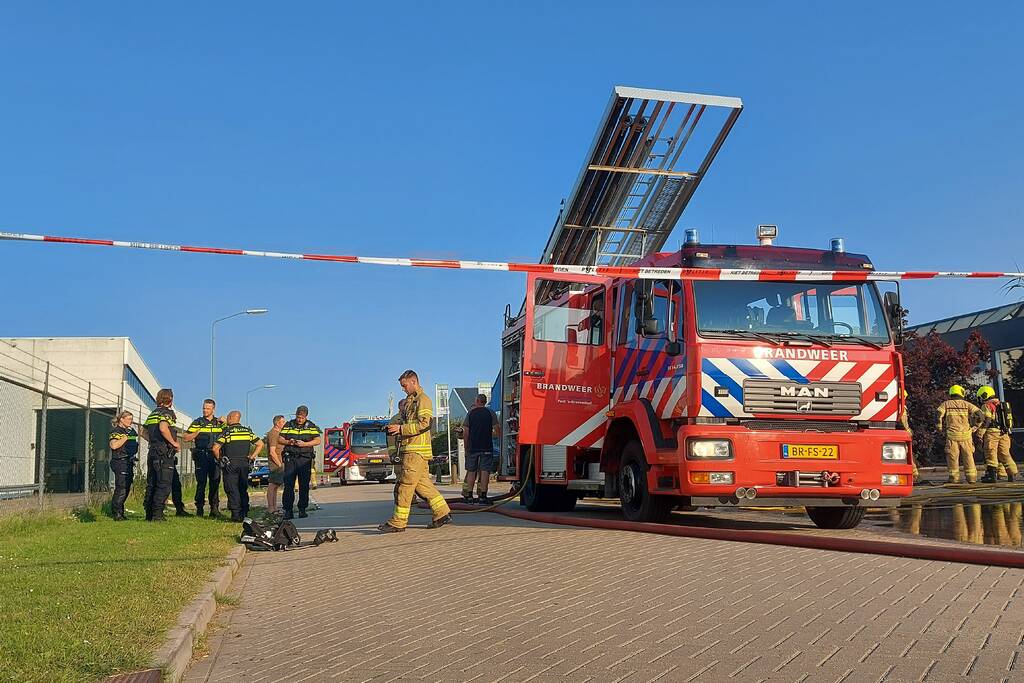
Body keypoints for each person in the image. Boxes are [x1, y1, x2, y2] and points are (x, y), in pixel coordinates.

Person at [379, 370, 451, 532]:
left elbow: (425, 424)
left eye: (404, 386)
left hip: (415, 451)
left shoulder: (423, 400)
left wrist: (401, 428)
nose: (403, 389)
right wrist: (395, 428)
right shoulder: (411, 401)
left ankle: (398, 522)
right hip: (413, 449)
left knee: (406, 485)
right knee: (422, 485)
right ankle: (442, 512)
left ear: (414, 382)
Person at [213, 410, 264, 522]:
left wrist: (220, 459)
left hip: (231, 463)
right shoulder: (247, 431)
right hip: (244, 463)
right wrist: (252, 456)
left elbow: (215, 448)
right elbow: (260, 444)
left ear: (231, 417)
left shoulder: (228, 432)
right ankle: (245, 512)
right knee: (242, 488)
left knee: (232, 489)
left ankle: (236, 514)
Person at [142, 388, 182, 521]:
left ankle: (149, 513)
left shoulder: (153, 414)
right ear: (170, 399)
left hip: (153, 451)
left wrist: (154, 441)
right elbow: (163, 428)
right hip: (163, 453)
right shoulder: (166, 413)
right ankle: (158, 514)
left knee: (152, 483)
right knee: (164, 484)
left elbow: (143, 432)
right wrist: (174, 443)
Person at [182, 399, 225, 517]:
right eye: (204, 408)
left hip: (215, 456)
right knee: (201, 483)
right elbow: (185, 437)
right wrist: (195, 434)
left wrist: (225, 422)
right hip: (201, 455)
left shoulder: (219, 423)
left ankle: (214, 509)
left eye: (208, 408)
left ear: (213, 410)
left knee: (215, 482)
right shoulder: (198, 422)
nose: (205, 410)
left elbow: (228, 433)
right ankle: (199, 508)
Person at [937, 385, 984, 485]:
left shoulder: (946, 404)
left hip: (952, 436)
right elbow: (980, 415)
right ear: (962, 393)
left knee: (952, 457)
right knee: (968, 457)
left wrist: (939, 428)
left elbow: (938, 415)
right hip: (966, 436)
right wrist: (975, 427)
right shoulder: (967, 404)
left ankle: (954, 478)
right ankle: (972, 478)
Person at [280, 405, 321, 520]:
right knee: (288, 485)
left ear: (306, 416)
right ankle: (288, 510)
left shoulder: (311, 426)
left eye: (302, 418)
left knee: (304, 486)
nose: (299, 420)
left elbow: (318, 440)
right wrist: (289, 441)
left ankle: (302, 509)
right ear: (296, 414)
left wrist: (305, 444)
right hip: (290, 458)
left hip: (304, 458)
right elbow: (280, 439)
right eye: (298, 417)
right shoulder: (289, 424)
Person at [461, 394, 500, 504]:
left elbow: (466, 431)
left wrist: (466, 446)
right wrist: (490, 435)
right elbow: (497, 430)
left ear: (477, 401)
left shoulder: (471, 413)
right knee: (485, 472)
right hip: (486, 447)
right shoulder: (490, 413)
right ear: (485, 402)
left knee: (471, 471)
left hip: (472, 447)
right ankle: (483, 496)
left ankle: (469, 496)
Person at [977, 385, 1017, 483]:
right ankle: (1012, 474)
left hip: (992, 433)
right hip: (1004, 433)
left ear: (984, 395)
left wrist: (981, 432)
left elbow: (988, 419)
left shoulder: (986, 405)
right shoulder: (1000, 404)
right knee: (1005, 454)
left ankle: (991, 476)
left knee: (991, 454)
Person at [108, 410, 139, 520]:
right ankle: (116, 513)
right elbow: (114, 445)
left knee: (127, 487)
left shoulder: (130, 431)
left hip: (128, 461)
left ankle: (120, 511)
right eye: (129, 419)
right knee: (121, 487)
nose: (131, 421)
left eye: (132, 419)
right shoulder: (116, 431)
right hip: (119, 461)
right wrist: (125, 436)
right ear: (122, 419)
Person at [265, 415, 286, 514]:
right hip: (275, 464)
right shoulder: (273, 434)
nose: (284, 424)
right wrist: (279, 464)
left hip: (279, 462)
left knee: (276, 485)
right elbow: (272, 451)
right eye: (283, 422)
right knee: (272, 485)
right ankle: (271, 507)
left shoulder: (278, 433)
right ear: (277, 423)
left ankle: (274, 507)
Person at [899, 389, 920, 484]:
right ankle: (914, 474)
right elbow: (904, 422)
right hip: (902, 433)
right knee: (908, 453)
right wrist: (908, 430)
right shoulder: (901, 408)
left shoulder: (897, 407)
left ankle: (914, 473)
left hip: (899, 433)